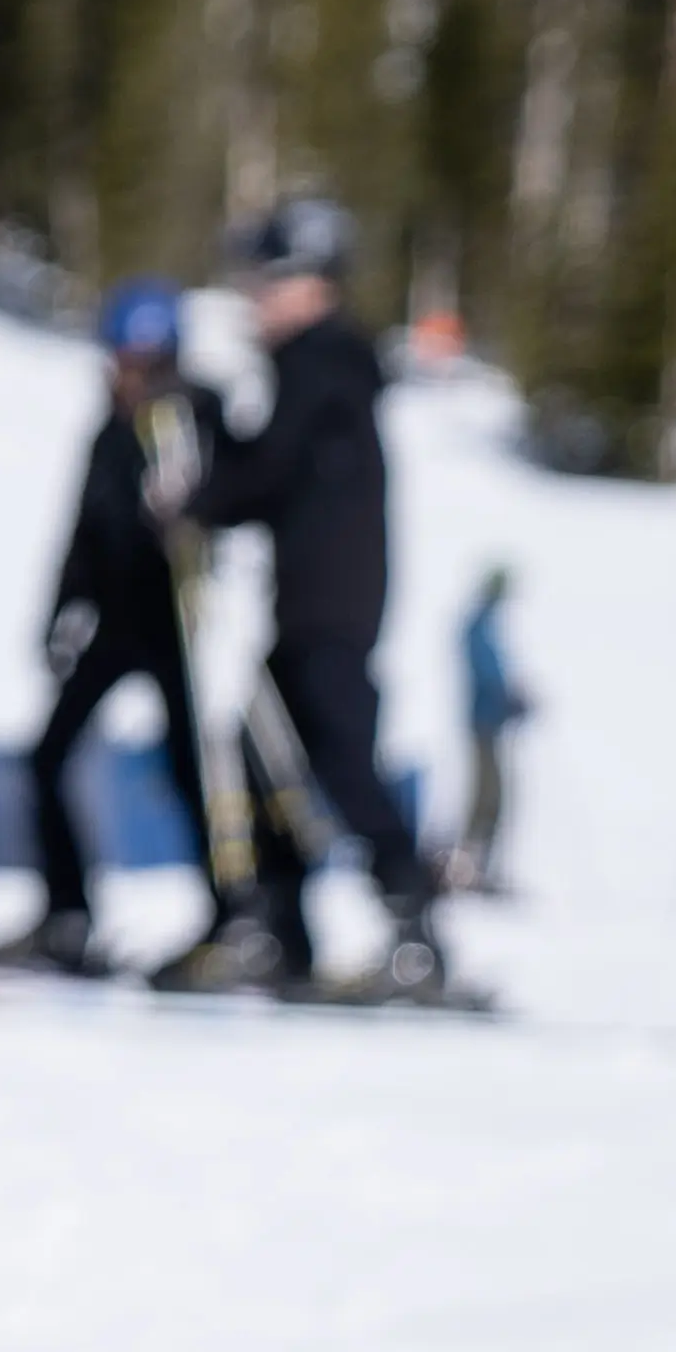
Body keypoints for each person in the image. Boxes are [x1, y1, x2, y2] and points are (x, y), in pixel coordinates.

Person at [163, 195, 456, 1000]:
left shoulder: (320, 362)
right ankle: (285, 932)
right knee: (267, 757)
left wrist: (201, 492)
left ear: (306, 282)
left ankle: (415, 935)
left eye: (265, 280)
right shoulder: (324, 365)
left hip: (330, 602)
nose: (253, 297)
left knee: (339, 760)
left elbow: (269, 472)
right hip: (316, 599)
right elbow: (274, 470)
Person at [0, 277, 229, 974]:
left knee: (196, 770)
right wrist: (64, 611)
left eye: (132, 360)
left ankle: (231, 915)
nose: (119, 373)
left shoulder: (196, 420)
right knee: (48, 757)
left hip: (179, 628)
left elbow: (221, 514)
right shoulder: (110, 432)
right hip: (117, 622)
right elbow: (85, 531)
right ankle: (68, 914)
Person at [452, 565, 532, 896]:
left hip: (491, 724)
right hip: (484, 723)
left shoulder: (484, 623)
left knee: (491, 799)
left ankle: (478, 869)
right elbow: (488, 673)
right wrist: (507, 698)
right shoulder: (479, 625)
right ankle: (468, 871)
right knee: (487, 799)